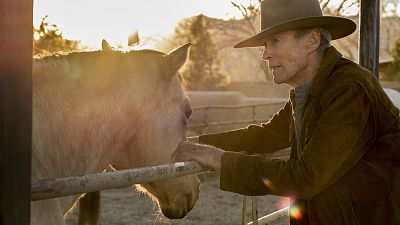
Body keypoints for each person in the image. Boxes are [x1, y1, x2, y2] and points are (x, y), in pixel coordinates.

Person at [172, 0, 400, 224]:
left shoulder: (349, 90)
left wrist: (217, 158)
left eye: (275, 41)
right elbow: (266, 135)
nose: (265, 54)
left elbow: (306, 177)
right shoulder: (309, 90)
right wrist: (193, 143)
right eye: (265, 45)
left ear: (312, 40)